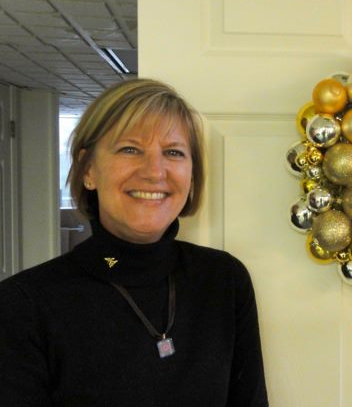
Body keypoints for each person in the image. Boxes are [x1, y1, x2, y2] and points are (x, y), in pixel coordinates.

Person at [0, 79, 269, 406]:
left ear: (192, 175)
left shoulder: (224, 280)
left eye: (173, 152)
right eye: (130, 149)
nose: (155, 172)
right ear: (88, 169)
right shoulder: (22, 305)